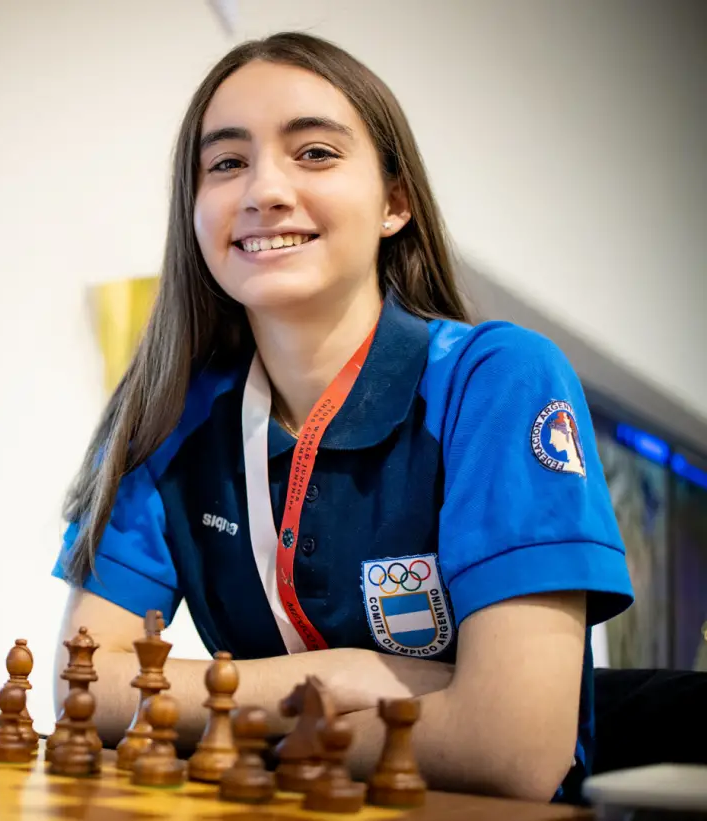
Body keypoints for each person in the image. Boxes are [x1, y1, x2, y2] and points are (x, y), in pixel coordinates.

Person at [50, 31, 633, 804]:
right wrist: (342, 679)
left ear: (395, 202)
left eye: (315, 153)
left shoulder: (498, 379)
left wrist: (238, 724)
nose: (263, 189)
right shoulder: (166, 408)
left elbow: (515, 746)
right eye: (226, 163)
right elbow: (88, 684)